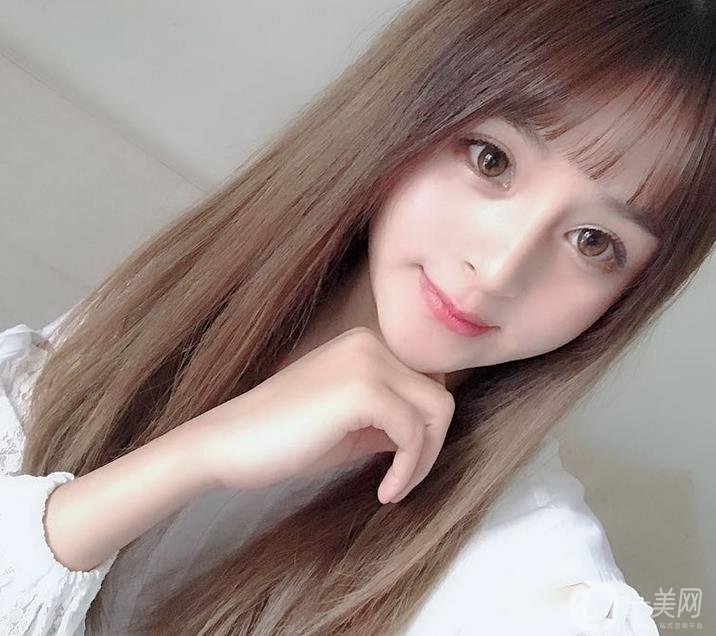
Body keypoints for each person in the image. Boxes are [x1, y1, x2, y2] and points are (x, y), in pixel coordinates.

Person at [1, 0, 714, 633]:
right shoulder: (179, 303)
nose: (499, 271)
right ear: (409, 110)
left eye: (593, 243)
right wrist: (189, 459)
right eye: (491, 159)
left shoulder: (536, 578)